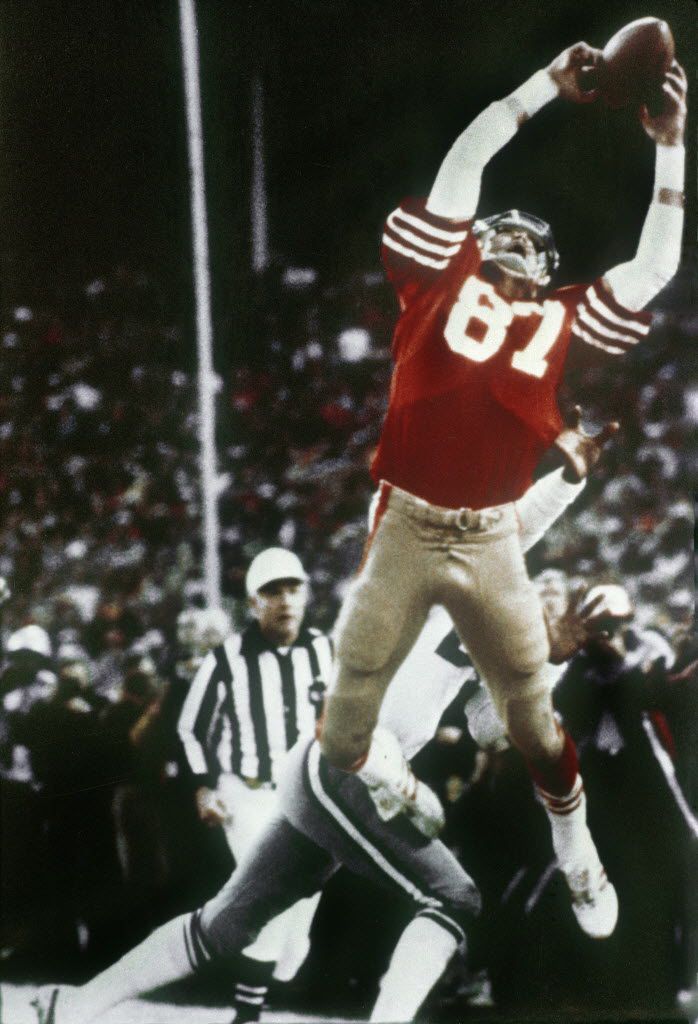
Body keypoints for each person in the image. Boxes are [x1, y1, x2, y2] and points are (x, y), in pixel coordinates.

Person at [25, 415, 611, 1024]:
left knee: (225, 926)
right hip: (347, 760)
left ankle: (71, 1005)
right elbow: (509, 533)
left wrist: (548, 664)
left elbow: (493, 728)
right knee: (454, 897)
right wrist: (565, 481)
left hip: (335, 768)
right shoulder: (433, 562)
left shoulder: (484, 607)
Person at [317, 41, 687, 939]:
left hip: (484, 534)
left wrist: (672, 142)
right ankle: (389, 776)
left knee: (529, 715)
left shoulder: (555, 317)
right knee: (346, 716)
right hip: (406, 517)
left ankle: (577, 854)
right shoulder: (436, 280)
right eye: (499, 238)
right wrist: (547, 89)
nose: (512, 250)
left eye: (527, 246)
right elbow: (466, 162)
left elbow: (651, 273)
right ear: (475, 247)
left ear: (542, 266)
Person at [177, 547, 332, 1021]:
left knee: (294, 936)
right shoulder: (226, 659)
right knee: (274, 892)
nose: (285, 601)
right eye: (272, 592)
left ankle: (273, 970)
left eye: (292, 589)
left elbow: (343, 719)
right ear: (253, 603)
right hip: (247, 794)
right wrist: (204, 787)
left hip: (308, 800)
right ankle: (247, 1014)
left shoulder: (327, 650)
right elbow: (190, 727)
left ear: (305, 595)